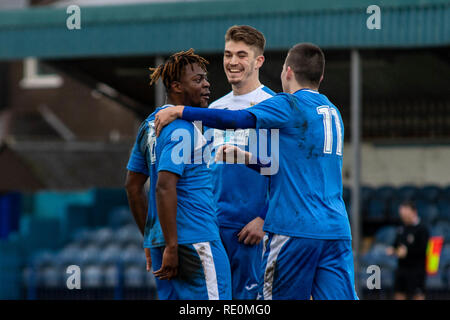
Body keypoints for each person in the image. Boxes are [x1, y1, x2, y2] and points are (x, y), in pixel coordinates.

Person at [153, 43, 359, 300]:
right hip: (336, 230)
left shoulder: (289, 104)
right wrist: (248, 159)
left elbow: (235, 119)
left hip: (294, 230)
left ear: (288, 72)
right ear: (321, 77)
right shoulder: (332, 112)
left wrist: (180, 110)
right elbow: (299, 167)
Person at [125, 49, 231, 300]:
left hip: (165, 244)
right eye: (197, 80)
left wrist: (152, 240)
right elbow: (163, 186)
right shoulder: (181, 129)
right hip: (196, 240)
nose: (206, 84)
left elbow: (132, 186)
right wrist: (172, 245)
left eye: (205, 78)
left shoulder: (149, 125)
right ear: (176, 86)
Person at [207, 25, 275, 300]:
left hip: (252, 231)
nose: (232, 62)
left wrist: (264, 219)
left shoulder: (274, 107)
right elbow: (207, 169)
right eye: (228, 54)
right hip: (214, 227)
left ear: (258, 61)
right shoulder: (214, 110)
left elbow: (287, 172)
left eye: (241, 55)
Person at [386, 200, 430, 300]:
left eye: (406, 215)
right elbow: (396, 244)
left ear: (414, 212)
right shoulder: (401, 227)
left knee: (417, 295)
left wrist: (407, 252)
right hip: (402, 269)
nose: (404, 217)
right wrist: (393, 250)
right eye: (402, 215)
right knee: (399, 294)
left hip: (417, 270)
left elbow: (424, 249)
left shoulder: (422, 229)